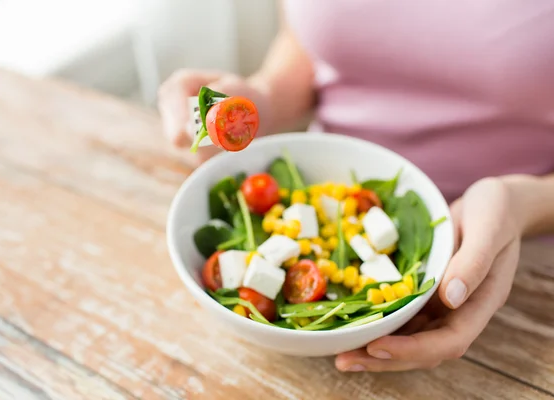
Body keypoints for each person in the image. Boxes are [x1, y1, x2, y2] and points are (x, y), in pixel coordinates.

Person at [158, 1, 554, 372]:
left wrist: (527, 205)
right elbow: (310, 41)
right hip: (329, 192)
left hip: (527, 286)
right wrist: (267, 96)